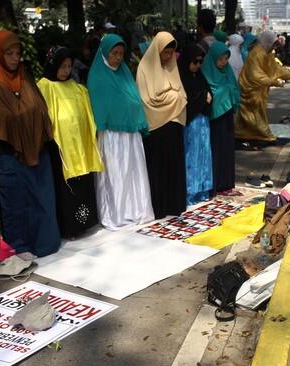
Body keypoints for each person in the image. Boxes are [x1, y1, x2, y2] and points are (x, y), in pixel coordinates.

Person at [0, 30, 60, 257]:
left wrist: (30, 120)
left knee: (42, 200)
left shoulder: (25, 76)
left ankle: (44, 244)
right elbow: (4, 121)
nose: (16, 58)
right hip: (9, 153)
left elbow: (40, 107)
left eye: (18, 53)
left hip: (36, 148)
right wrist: (27, 118)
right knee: (16, 204)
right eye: (10, 53)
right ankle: (20, 247)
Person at [87, 34, 154, 230]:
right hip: (111, 136)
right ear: (104, 53)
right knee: (116, 174)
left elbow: (133, 100)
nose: (117, 57)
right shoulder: (97, 77)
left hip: (130, 135)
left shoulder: (124, 73)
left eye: (120, 54)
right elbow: (101, 105)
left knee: (132, 173)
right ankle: (117, 213)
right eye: (114, 53)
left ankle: (135, 210)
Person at [37, 46, 104, 239]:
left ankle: (85, 222)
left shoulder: (76, 87)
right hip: (61, 149)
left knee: (82, 185)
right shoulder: (45, 86)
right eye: (63, 66)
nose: (66, 70)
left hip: (79, 147)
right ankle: (69, 227)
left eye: (69, 66)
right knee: (67, 189)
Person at [136, 32, 187, 219]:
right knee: (158, 169)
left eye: (171, 53)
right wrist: (173, 97)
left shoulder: (171, 67)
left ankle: (175, 205)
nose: (168, 57)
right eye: (165, 53)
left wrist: (172, 97)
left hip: (173, 125)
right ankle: (159, 207)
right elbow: (148, 99)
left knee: (173, 166)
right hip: (156, 127)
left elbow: (182, 94)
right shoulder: (145, 68)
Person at [235, 31, 290, 144]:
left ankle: (243, 132)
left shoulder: (267, 53)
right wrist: (274, 82)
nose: (274, 47)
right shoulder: (257, 53)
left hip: (258, 89)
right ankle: (263, 134)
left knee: (250, 113)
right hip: (250, 89)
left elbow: (274, 68)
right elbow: (256, 76)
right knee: (255, 113)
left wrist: (288, 74)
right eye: (273, 43)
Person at [202, 41, 240, 195]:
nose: (224, 62)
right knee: (216, 150)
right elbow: (210, 94)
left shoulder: (227, 71)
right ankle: (216, 183)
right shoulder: (206, 72)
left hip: (227, 117)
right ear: (213, 58)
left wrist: (229, 92)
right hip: (215, 120)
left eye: (226, 59)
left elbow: (236, 89)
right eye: (221, 59)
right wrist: (225, 92)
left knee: (227, 150)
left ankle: (227, 183)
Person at [179, 44, 213, 205]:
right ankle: (190, 191)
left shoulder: (199, 76)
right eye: (195, 62)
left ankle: (202, 189)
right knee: (191, 156)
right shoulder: (181, 77)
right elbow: (186, 101)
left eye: (200, 62)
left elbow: (208, 94)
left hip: (203, 124)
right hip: (191, 124)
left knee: (204, 156)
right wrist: (202, 98)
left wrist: (205, 97)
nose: (198, 65)